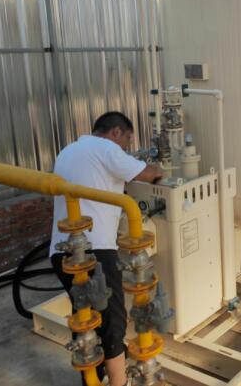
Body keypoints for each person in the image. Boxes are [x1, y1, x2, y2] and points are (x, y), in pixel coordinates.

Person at [49, 112, 163, 386]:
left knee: (85, 315)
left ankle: (91, 378)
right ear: (115, 132)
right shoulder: (106, 149)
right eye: (127, 140)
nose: (126, 147)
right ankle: (118, 382)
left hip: (61, 251)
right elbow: (148, 174)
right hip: (95, 250)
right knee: (112, 321)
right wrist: (161, 170)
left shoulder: (68, 151)